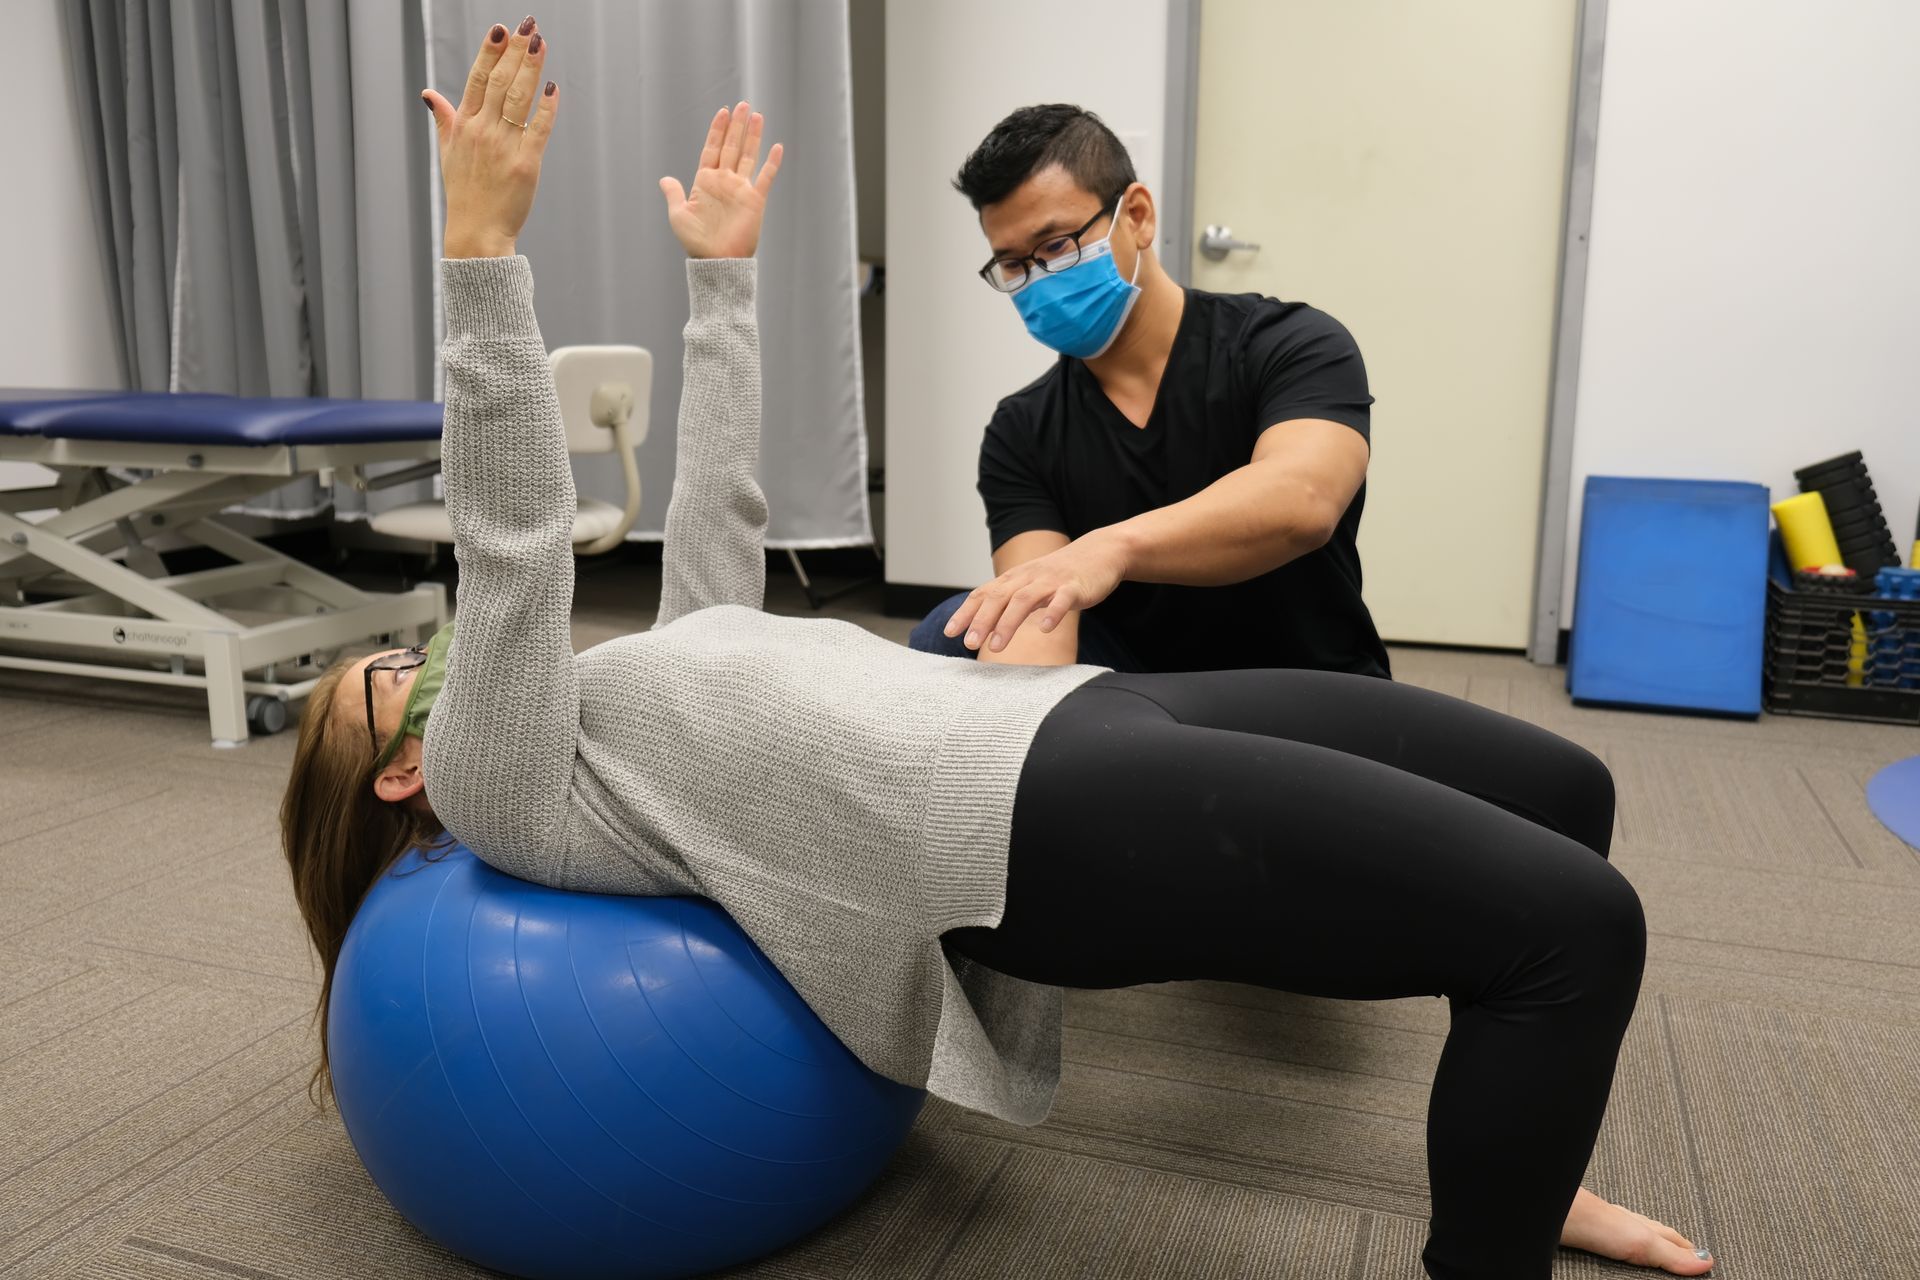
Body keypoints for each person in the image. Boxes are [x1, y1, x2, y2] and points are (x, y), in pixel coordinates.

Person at [280, 19, 1715, 1279]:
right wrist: (483, 263)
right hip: (1018, 822)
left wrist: (721, 287)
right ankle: (1496, 1245)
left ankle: (1524, 1161)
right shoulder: (499, 783)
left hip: (1067, 717)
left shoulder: (631, 699)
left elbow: (713, 511)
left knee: (1566, 793)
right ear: (404, 780)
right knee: (1578, 932)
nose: (432, 652)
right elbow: (516, 557)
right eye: (394, 684)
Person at [909, 105, 1389, 677]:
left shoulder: (1288, 344)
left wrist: (1108, 550)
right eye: (1013, 265)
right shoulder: (1022, 429)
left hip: (1307, 686)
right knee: (954, 629)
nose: (1037, 279)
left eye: (1056, 246)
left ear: (1135, 215)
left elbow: (1302, 503)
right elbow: (1034, 616)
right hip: (1146, 703)